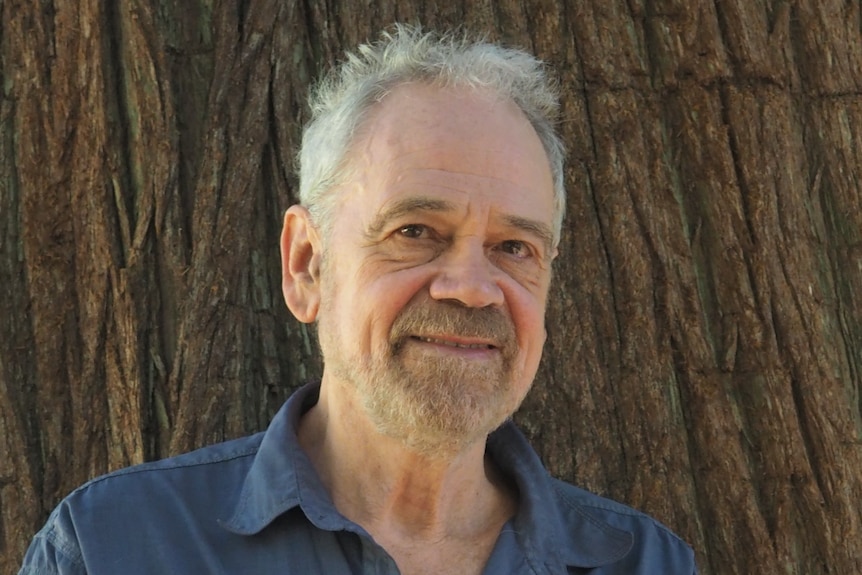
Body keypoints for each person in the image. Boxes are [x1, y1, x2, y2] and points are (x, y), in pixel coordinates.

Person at [19, 25, 697, 574]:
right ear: (307, 265)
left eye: (514, 246)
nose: (469, 285)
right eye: (415, 232)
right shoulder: (116, 549)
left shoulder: (645, 563)